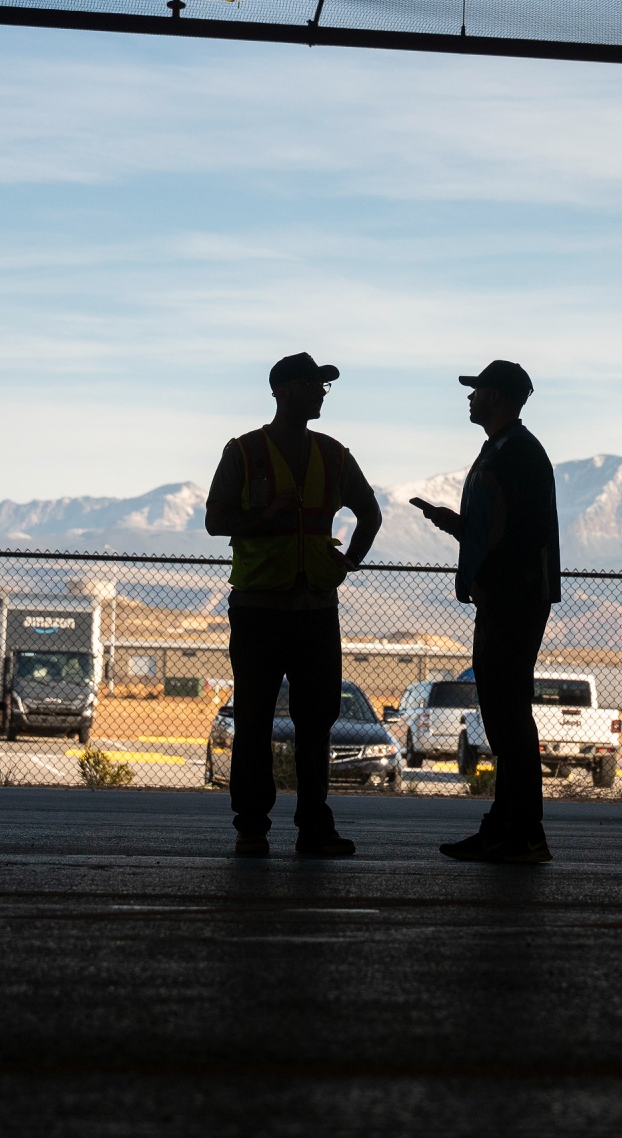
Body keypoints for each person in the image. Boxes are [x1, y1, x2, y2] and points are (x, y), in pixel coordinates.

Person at [206, 352, 382, 858]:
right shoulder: (244, 452)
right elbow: (216, 521)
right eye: (311, 385)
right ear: (282, 390)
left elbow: (369, 514)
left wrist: (348, 563)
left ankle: (313, 827)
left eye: (323, 386)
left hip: (315, 609)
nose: (320, 393)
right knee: (256, 718)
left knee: (316, 721)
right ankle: (252, 827)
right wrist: (266, 515)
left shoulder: (334, 455)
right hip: (260, 606)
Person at [415, 360, 560, 863]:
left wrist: (492, 579)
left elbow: (525, 537)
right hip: (503, 597)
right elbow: (496, 529)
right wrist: (455, 525)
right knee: (503, 717)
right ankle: (507, 828)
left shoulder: (520, 454)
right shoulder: (500, 450)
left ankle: (522, 833)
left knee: (509, 718)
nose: (470, 398)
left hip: (513, 601)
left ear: (497, 397)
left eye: (477, 391)